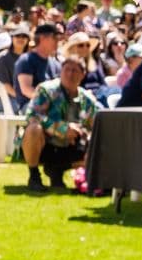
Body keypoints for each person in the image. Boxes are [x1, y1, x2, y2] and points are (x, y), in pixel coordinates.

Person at [23, 56, 98, 192]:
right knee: (34, 129)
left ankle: (58, 171)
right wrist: (62, 129)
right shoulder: (46, 90)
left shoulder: (87, 100)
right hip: (46, 145)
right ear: (60, 71)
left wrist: (83, 133)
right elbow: (32, 115)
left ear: (83, 74)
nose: (70, 74)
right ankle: (34, 175)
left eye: (75, 71)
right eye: (67, 69)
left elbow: (97, 126)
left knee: (98, 142)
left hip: (72, 147)